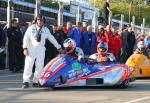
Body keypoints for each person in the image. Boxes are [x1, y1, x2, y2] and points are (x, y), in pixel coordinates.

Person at [22, 15, 62, 88]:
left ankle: (36, 81)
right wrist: (25, 48)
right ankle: (26, 81)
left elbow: (52, 38)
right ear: (36, 20)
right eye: (38, 20)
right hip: (31, 48)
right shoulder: (31, 28)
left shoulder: (46, 29)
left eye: (41, 20)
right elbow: (26, 38)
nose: (40, 21)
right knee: (29, 65)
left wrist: (58, 47)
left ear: (44, 22)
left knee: (40, 65)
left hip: (41, 49)